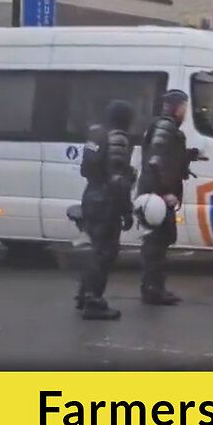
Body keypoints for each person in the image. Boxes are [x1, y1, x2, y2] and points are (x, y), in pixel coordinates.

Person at [136, 90, 200, 305]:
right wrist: (165, 192)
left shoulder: (166, 128)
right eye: (184, 106)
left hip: (157, 194)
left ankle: (155, 287)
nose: (185, 111)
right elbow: (156, 162)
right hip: (157, 197)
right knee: (156, 243)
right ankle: (153, 289)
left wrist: (188, 155)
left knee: (160, 241)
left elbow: (166, 156)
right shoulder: (165, 128)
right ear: (176, 107)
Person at [76, 100, 136, 320]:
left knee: (95, 249)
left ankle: (83, 294)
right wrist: (127, 210)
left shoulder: (96, 135)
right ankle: (93, 301)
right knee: (105, 252)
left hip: (91, 196)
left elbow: (85, 170)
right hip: (107, 201)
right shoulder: (118, 139)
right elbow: (119, 180)